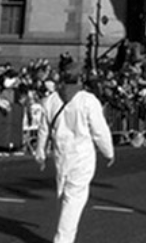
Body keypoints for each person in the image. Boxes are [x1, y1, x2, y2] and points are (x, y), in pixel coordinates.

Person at [36, 70, 115, 243]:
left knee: (64, 194)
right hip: (81, 154)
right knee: (74, 198)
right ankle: (63, 240)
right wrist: (108, 151)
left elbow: (43, 129)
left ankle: (64, 237)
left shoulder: (51, 100)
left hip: (61, 152)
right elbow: (99, 130)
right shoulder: (87, 100)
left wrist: (40, 153)